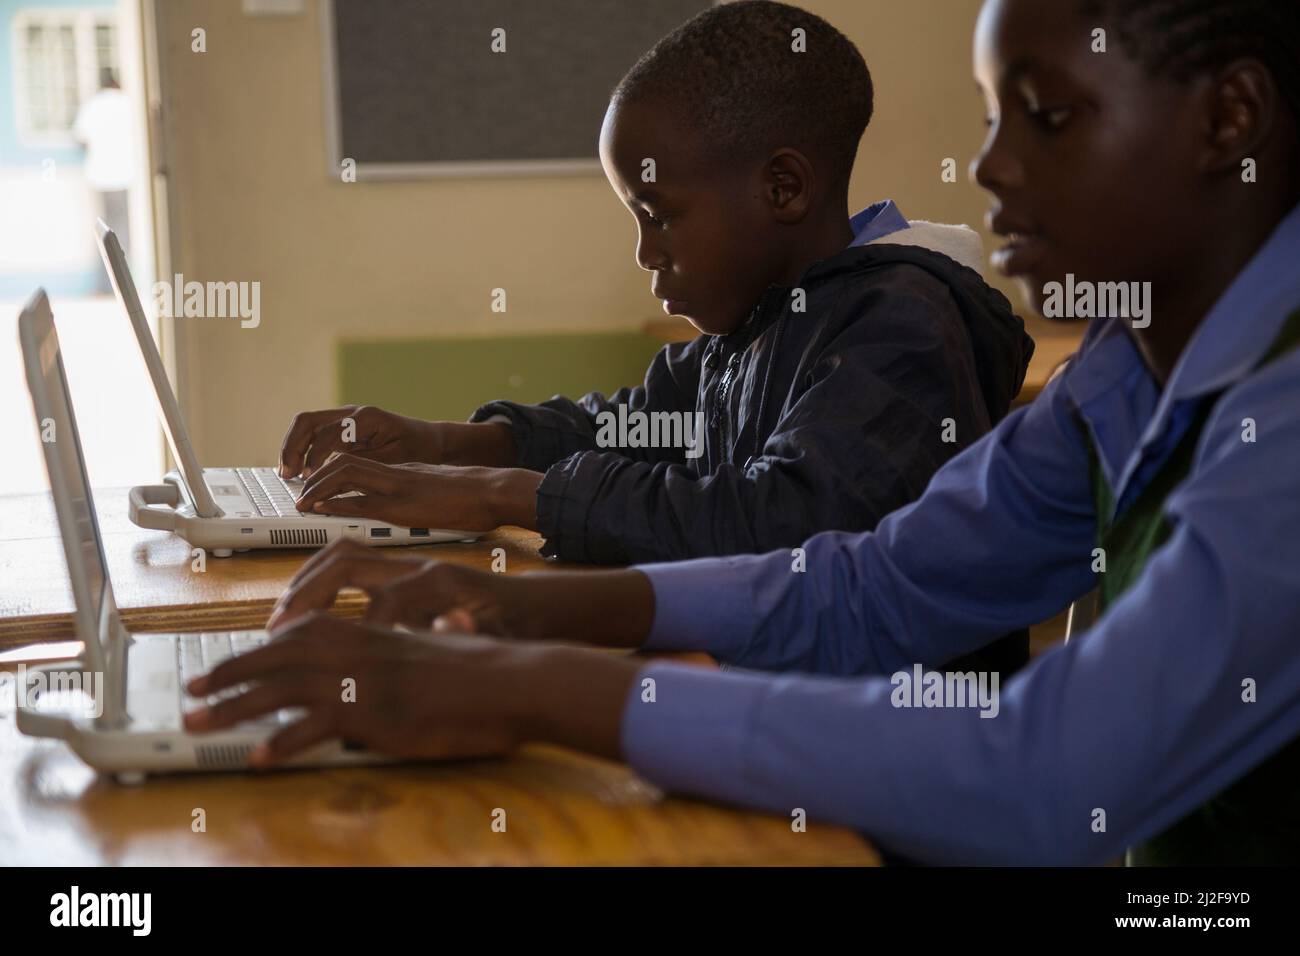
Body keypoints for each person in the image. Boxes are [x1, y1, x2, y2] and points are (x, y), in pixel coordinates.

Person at [188, 0, 1300, 865]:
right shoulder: (1120, 372)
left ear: (1229, 120)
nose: (995, 165)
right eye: (988, 119)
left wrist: (528, 683)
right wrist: (514, 609)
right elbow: (867, 585)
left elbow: (1039, 777)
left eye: (1044, 115)